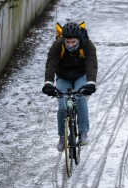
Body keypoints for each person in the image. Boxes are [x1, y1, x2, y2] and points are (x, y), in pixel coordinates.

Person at [42, 21, 98, 151]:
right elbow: (51, 63)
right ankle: (62, 136)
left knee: (81, 99)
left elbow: (91, 64)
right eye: (67, 42)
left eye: (73, 42)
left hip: (81, 76)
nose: (70, 45)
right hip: (63, 77)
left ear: (78, 38)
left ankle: (83, 132)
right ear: (63, 39)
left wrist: (91, 83)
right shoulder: (57, 45)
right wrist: (48, 83)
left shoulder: (87, 45)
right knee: (62, 106)